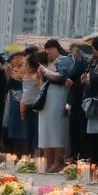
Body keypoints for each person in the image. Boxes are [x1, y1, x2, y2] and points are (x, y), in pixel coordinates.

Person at [34, 40, 74, 172]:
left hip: (59, 96)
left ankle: (58, 161)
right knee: (46, 129)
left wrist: (46, 72)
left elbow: (62, 77)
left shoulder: (65, 60)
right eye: (46, 50)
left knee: (57, 128)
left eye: (50, 49)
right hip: (47, 99)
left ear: (57, 48)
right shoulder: (49, 64)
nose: (48, 52)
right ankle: (48, 161)